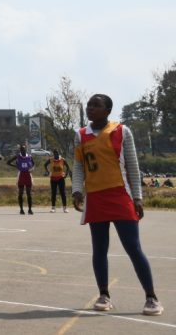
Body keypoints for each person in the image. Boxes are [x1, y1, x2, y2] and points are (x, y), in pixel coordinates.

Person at [72, 93, 163, 316]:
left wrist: (138, 197)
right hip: (95, 197)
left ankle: (151, 298)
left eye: (96, 105)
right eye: (89, 105)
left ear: (108, 110)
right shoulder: (80, 135)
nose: (90, 108)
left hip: (120, 195)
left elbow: (132, 165)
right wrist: (76, 190)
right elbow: (77, 166)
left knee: (133, 247)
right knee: (99, 249)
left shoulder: (121, 131)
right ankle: (104, 295)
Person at [6, 142, 35, 215]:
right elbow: (8, 162)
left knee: (29, 193)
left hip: (28, 174)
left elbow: (33, 164)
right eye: (22, 150)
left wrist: (32, 169)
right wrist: (16, 166)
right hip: (21, 174)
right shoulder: (18, 156)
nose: (23, 151)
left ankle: (30, 209)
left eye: (24, 150)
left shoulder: (30, 157)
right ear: (20, 150)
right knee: (20, 193)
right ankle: (21, 209)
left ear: (26, 150)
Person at [44, 148, 69, 213]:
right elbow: (45, 165)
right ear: (53, 154)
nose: (56, 154)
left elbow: (68, 167)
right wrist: (48, 172)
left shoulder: (62, 160)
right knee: (53, 193)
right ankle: (53, 208)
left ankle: (65, 208)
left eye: (57, 153)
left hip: (61, 178)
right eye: (55, 153)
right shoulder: (51, 160)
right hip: (53, 178)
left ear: (58, 153)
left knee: (63, 193)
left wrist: (66, 174)